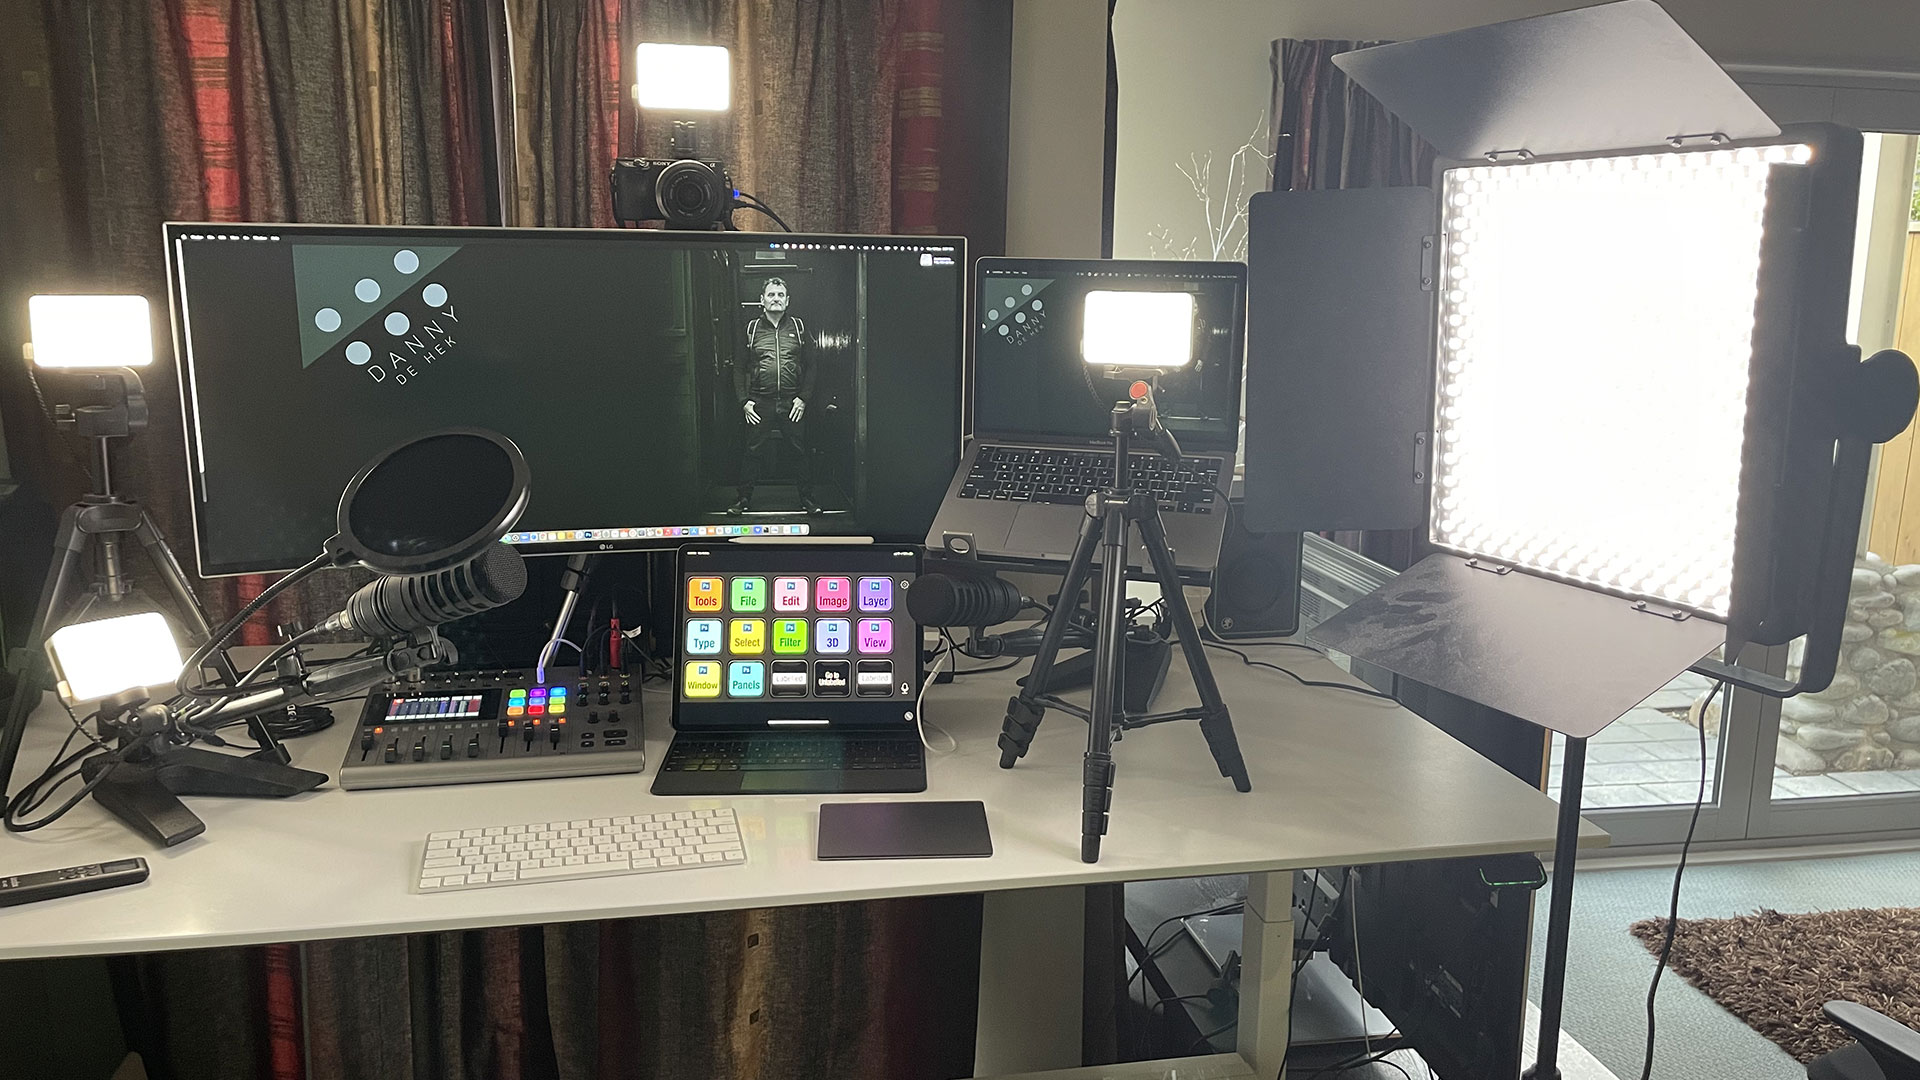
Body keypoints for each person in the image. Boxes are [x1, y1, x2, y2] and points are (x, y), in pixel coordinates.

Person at [729, 277, 820, 514]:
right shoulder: (751, 329)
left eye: (780, 295)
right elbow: (738, 367)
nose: (776, 299)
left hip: (792, 402)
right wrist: (744, 401)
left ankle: (807, 499)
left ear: (787, 301)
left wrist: (803, 398)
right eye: (771, 294)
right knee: (752, 451)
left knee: (799, 451)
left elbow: (812, 366)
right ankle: (743, 499)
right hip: (760, 402)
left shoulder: (799, 327)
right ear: (762, 300)